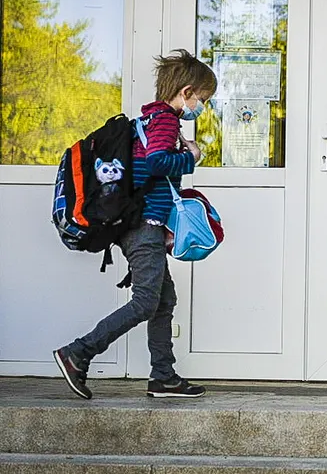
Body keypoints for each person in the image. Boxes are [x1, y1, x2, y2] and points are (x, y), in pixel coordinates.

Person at [53, 49, 217, 399]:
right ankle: (78, 353)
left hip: (144, 223)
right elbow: (158, 162)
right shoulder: (167, 120)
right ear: (186, 92)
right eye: (202, 99)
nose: (201, 107)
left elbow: (148, 170)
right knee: (146, 300)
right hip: (144, 225)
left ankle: (163, 377)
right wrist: (190, 157)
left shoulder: (149, 120)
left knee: (162, 300)